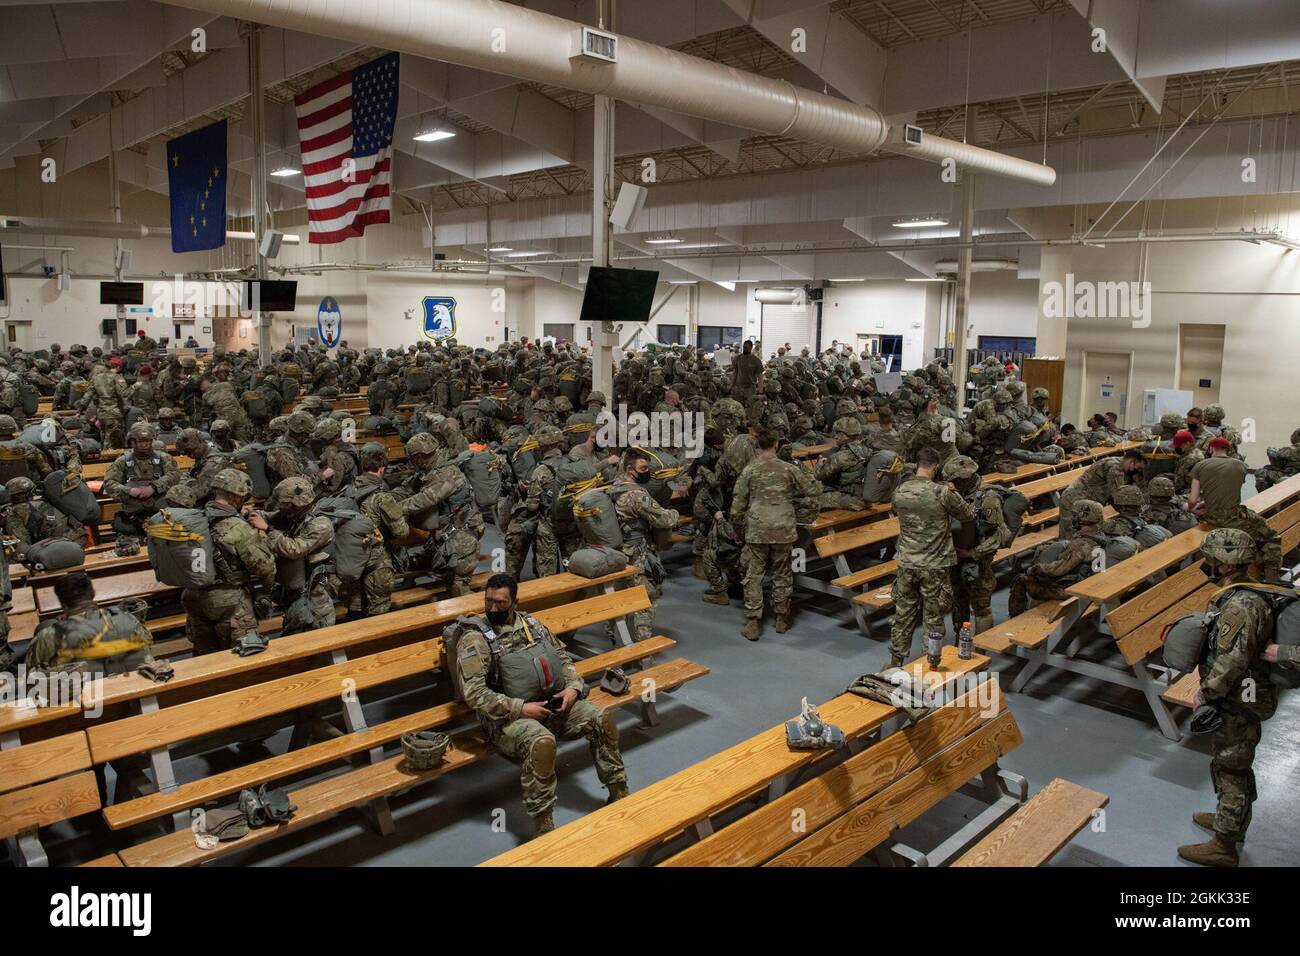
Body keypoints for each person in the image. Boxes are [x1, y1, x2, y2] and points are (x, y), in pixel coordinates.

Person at [451, 572, 628, 838]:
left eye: (500, 602)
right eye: (488, 601)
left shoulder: (532, 625)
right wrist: (521, 708)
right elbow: (474, 694)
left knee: (600, 719)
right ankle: (543, 824)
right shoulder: (476, 640)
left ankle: (619, 792)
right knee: (541, 743)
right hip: (505, 720)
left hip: (551, 704)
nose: (492, 608)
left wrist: (572, 689)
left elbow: (562, 659)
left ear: (515, 602)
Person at [1177, 529, 1279, 867]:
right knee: (1232, 764)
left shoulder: (1239, 605)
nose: (1205, 564)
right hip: (1248, 694)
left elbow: (1232, 660)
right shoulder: (1249, 592)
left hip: (1239, 699)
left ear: (1223, 565)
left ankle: (1224, 845)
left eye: (1210, 560)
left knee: (1231, 767)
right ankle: (1228, 820)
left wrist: (1205, 694)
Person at [888, 446, 975, 666]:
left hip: (907, 561)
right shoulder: (942, 492)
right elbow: (966, 515)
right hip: (934, 564)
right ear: (935, 467)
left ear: (917, 465)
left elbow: (895, 511)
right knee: (933, 616)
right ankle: (931, 662)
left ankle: (896, 659)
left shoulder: (900, 491)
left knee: (904, 612)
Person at [730, 427, 819, 640]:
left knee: (754, 575)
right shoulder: (789, 469)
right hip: (784, 528)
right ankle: (781, 617)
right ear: (776, 445)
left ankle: (753, 622)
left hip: (757, 529)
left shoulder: (750, 470)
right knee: (782, 572)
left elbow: (736, 507)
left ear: (757, 446)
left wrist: (738, 529)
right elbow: (812, 490)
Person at [182, 468, 276, 655]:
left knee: (205, 657)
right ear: (235, 497)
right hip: (230, 601)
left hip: (193, 596)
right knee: (241, 658)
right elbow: (265, 568)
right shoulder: (238, 527)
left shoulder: (192, 519)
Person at [609, 448, 681, 643]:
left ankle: (616, 638)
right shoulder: (636, 494)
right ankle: (643, 646)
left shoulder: (614, 486)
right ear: (631, 469)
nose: (646, 472)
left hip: (617, 552)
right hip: (637, 555)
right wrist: (674, 513)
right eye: (643, 468)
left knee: (619, 597)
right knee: (645, 598)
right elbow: (663, 519)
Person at [250, 477, 338, 633]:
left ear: (297, 505)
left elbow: (295, 549)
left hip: (314, 600)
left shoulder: (320, 524)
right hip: (296, 598)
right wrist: (250, 515)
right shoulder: (294, 517)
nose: (282, 508)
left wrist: (268, 530)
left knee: (317, 642)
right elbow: (268, 516)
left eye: (285, 505)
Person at [1189, 436, 1281, 582]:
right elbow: (1230, 489)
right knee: (1272, 538)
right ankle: (1272, 582)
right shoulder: (1241, 466)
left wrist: (1195, 507)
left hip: (1210, 518)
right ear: (1228, 450)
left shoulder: (1200, 465)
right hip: (1234, 520)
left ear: (1211, 448)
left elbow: (1193, 500)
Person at [25, 572, 153, 675]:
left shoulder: (49, 635)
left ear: (62, 602)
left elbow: (31, 675)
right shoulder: (126, 617)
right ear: (92, 593)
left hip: (88, 700)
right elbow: (148, 648)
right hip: (139, 689)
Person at [943, 455, 1012, 635]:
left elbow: (1002, 536)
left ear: (967, 478)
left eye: (955, 480)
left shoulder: (988, 498)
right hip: (955, 559)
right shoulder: (957, 495)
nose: (952, 484)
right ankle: (961, 642)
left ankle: (981, 651)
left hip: (977, 562)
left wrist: (974, 553)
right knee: (958, 604)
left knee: (981, 608)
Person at [339, 443, 408, 617]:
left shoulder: (347, 490)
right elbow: (401, 531)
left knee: (355, 610)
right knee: (379, 612)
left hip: (351, 559)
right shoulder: (381, 497)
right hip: (376, 562)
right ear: (382, 469)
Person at [1008, 500, 1110, 617]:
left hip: (1071, 590)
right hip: (1089, 583)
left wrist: (1037, 568)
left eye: (1076, 516)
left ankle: (1015, 618)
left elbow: (1060, 569)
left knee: (1021, 579)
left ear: (1084, 518)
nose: (1074, 518)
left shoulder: (1081, 544)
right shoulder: (1101, 536)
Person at [101, 421, 181, 552]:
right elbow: (109, 483)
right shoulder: (123, 461)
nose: (144, 444)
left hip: (163, 517)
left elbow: (175, 476)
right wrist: (130, 490)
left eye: (147, 441)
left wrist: (154, 487)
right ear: (132, 442)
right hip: (133, 519)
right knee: (127, 550)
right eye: (140, 441)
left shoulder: (164, 458)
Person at [1056, 450, 1143, 539]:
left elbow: (1114, 497)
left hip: (1088, 504)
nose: (1137, 471)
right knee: (1069, 535)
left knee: (1086, 535)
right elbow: (1118, 496)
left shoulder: (1121, 468)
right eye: (1138, 468)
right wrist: (1132, 516)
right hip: (1073, 501)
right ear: (1131, 462)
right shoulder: (1114, 467)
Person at [813, 416, 871, 511]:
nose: (835, 436)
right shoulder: (867, 449)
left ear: (845, 435)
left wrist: (819, 464)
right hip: (866, 496)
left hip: (852, 500)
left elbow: (818, 476)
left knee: (812, 500)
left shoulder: (840, 456)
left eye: (838, 433)